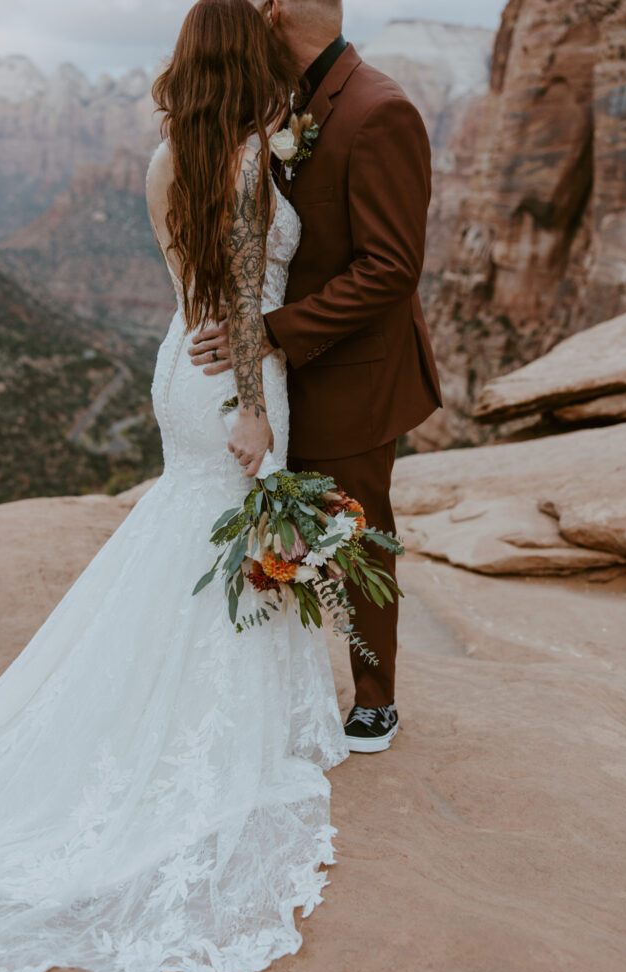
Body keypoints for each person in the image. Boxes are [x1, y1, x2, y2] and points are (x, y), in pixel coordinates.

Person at [0, 0, 351, 972]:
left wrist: (222, 366)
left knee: (188, 528)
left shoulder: (166, 155)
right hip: (235, 382)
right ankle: (199, 730)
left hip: (183, 366)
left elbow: (190, 294)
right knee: (226, 527)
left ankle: (155, 700)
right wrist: (253, 406)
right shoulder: (254, 156)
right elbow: (237, 286)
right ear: (247, 61)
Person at [189, 0, 444, 754]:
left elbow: (390, 269)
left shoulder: (379, 111)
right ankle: (274, 685)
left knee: (359, 535)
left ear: (274, 13)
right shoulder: (289, 103)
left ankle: (375, 698)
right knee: (277, 533)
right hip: (283, 372)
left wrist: (268, 331)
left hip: (353, 375)